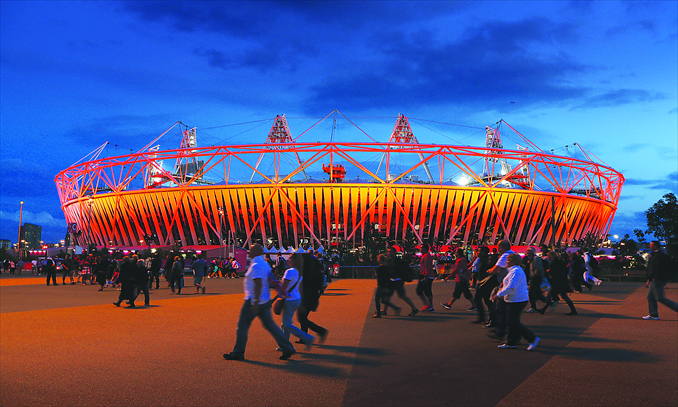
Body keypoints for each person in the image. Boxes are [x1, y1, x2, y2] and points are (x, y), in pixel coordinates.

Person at [223, 244, 296, 361]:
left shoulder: (256, 265)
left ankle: (238, 352)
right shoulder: (265, 264)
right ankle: (287, 347)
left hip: (253, 301)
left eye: (251, 250)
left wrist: (255, 302)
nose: (249, 252)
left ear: (257, 252)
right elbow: (270, 279)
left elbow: (257, 283)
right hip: (265, 300)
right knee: (271, 326)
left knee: (242, 327)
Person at [492, 253, 540, 351]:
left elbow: (511, 287)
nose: (506, 261)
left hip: (516, 300)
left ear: (513, 261)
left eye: (508, 260)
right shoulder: (514, 271)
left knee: (513, 322)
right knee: (512, 321)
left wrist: (499, 294)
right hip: (515, 299)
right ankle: (512, 341)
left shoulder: (515, 271)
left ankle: (532, 338)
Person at [278, 253, 314, 346]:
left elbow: (284, 288)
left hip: (289, 300)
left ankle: (305, 337)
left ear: (294, 261)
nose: (288, 260)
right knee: (286, 323)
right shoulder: (299, 272)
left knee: (286, 324)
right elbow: (300, 289)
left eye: (290, 258)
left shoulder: (289, 272)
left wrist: (277, 298)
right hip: (296, 299)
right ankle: (284, 344)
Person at [296, 253, 329, 343]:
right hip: (313, 298)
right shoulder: (316, 272)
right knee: (303, 318)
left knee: (301, 318)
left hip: (306, 298)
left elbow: (303, 288)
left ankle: (320, 331)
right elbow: (321, 288)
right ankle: (304, 337)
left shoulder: (305, 273)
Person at [485, 240, 514, 338]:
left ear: (501, 247)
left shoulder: (505, 256)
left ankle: (502, 331)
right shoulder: (513, 254)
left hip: (505, 285)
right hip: (508, 285)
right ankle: (504, 331)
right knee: (506, 310)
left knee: (501, 308)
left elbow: (495, 270)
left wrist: (490, 271)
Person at [643, 241, 678, 320]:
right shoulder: (655, 255)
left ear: (655, 246)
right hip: (654, 279)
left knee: (660, 298)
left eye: (651, 245)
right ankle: (653, 314)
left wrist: (655, 277)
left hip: (657, 279)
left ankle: (654, 314)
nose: (650, 246)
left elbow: (657, 268)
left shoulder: (658, 256)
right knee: (651, 297)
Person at [382, 247, 419, 316]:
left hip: (396, 281)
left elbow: (394, 271)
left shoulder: (395, 261)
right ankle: (384, 310)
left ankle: (414, 308)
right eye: (388, 252)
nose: (389, 253)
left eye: (390, 252)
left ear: (394, 252)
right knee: (393, 295)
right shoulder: (394, 260)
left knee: (399, 295)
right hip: (397, 280)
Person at [538, 251, 578, 315]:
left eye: (548, 256)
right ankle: (573, 310)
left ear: (551, 256)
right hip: (561, 281)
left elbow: (555, 272)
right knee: (564, 296)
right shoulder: (559, 261)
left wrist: (549, 271)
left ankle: (544, 309)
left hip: (556, 282)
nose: (547, 257)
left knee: (550, 295)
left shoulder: (554, 263)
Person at [372, 254, 401, 318]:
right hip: (386, 285)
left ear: (379, 260)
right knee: (383, 300)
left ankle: (378, 314)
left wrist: (376, 275)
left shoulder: (380, 268)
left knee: (377, 299)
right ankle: (396, 308)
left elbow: (380, 277)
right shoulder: (386, 267)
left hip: (381, 285)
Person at [524, 248, 547, 313]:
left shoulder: (535, 259)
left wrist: (533, 275)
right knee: (536, 292)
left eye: (528, 251)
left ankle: (533, 307)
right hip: (535, 277)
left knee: (532, 292)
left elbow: (538, 269)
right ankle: (548, 302)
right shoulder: (531, 259)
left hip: (536, 277)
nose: (526, 252)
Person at [416, 243, 436, 312]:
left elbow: (427, 267)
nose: (420, 249)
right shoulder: (425, 256)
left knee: (425, 290)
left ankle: (429, 306)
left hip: (427, 275)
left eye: (421, 248)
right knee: (424, 290)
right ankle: (429, 305)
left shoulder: (426, 256)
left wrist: (426, 276)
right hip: (426, 275)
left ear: (424, 249)